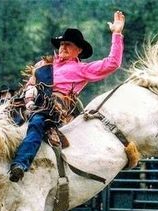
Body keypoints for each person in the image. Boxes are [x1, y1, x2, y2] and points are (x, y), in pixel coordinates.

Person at [9, 11, 125, 182]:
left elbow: (112, 63)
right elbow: (31, 82)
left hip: (51, 109)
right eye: (61, 44)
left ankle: (20, 164)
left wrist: (117, 34)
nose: (62, 47)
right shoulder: (44, 64)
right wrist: (29, 93)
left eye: (68, 44)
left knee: (37, 123)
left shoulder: (81, 69)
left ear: (78, 50)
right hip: (29, 102)